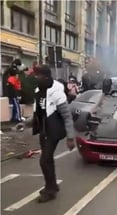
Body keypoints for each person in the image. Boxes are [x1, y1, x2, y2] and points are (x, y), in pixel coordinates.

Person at [33, 65, 76, 203]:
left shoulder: (57, 93)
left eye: (38, 75)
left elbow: (67, 116)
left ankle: (50, 191)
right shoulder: (38, 91)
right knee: (48, 159)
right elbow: (39, 112)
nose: (36, 78)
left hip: (53, 130)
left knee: (44, 160)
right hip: (43, 129)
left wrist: (70, 137)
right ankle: (52, 185)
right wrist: (26, 123)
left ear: (46, 77)